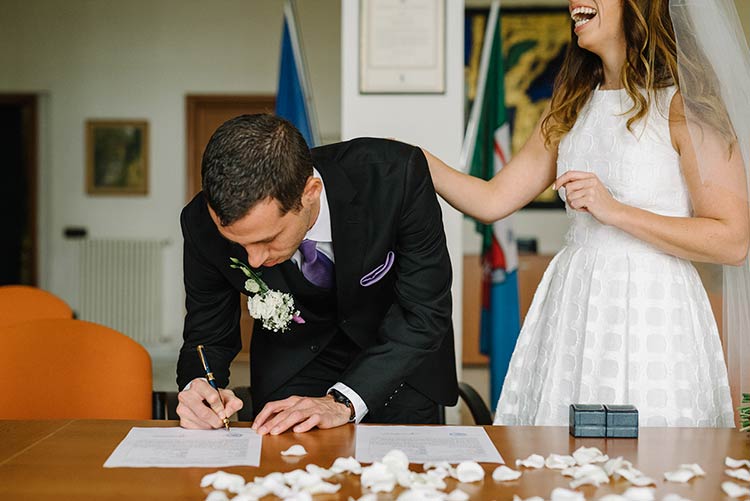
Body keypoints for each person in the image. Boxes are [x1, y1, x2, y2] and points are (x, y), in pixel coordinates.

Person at [423, 0, 750, 426]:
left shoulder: (685, 106)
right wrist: (414, 160)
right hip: (573, 306)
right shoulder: (570, 104)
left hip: (653, 310)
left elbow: (733, 240)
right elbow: (491, 200)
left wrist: (614, 210)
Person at [176, 113, 457, 434]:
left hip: (400, 360)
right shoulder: (200, 224)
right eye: (240, 245)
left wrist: (343, 401)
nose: (253, 261)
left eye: (268, 239)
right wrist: (198, 387)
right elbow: (207, 334)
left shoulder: (395, 176)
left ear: (310, 192)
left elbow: (424, 312)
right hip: (292, 366)